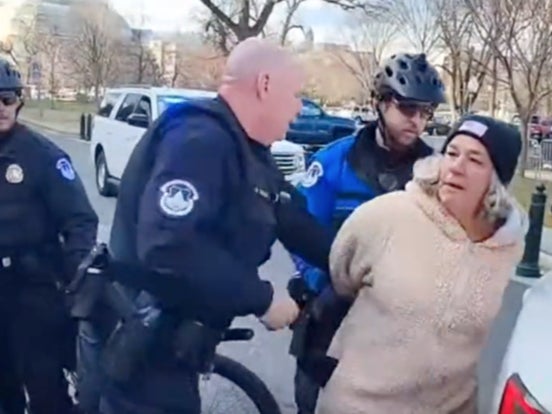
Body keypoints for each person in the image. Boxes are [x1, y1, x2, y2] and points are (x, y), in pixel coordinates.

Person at [94, 37, 335, 414]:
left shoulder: (248, 152)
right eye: (295, 94)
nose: (299, 107)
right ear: (265, 84)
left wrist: (353, 261)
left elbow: (291, 218)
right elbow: (169, 245)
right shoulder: (198, 139)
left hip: (179, 349)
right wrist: (263, 298)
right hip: (147, 352)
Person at [316, 115, 527, 414]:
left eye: (475, 160)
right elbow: (341, 272)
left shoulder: (509, 251)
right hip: (358, 404)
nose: (456, 166)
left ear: (497, 182)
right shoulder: (388, 216)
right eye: (452, 153)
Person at [289, 52, 447, 414]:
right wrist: (317, 283)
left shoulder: (435, 173)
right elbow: (300, 230)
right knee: (311, 400)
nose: (418, 122)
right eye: (408, 109)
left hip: (400, 321)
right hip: (332, 308)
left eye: (426, 113)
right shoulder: (333, 161)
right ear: (381, 103)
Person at [0, 57, 98, 414]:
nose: (1, 107)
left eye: (8, 99)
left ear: (19, 102)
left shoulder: (41, 156)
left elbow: (80, 221)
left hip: (34, 291)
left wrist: (78, 277)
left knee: (46, 393)